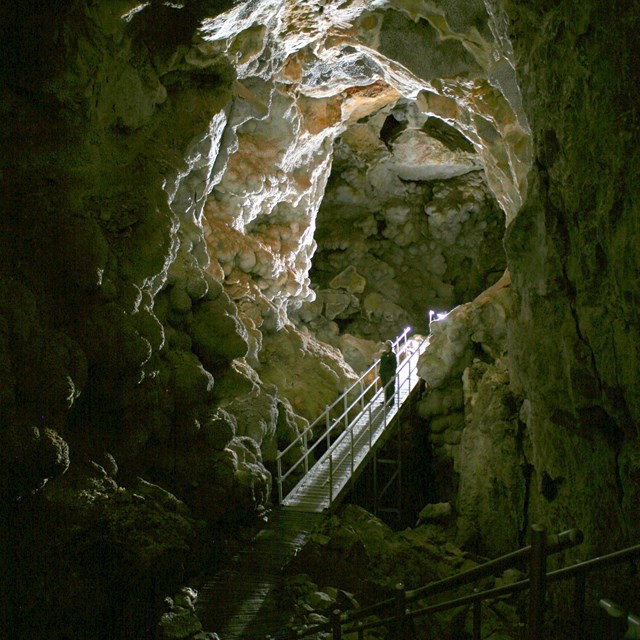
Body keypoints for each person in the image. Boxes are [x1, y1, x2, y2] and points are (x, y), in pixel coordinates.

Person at [379, 340, 397, 406]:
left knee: (390, 387)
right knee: (385, 386)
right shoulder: (384, 354)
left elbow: (394, 365)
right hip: (383, 373)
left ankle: (391, 402)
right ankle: (386, 400)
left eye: (386, 345)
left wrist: (393, 374)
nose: (385, 346)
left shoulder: (392, 355)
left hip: (389, 373)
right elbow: (382, 364)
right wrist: (380, 372)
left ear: (389, 346)